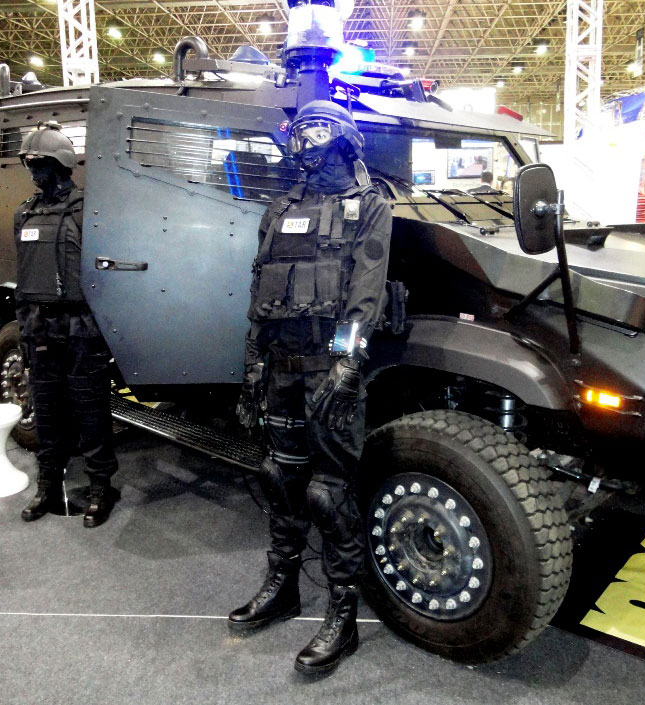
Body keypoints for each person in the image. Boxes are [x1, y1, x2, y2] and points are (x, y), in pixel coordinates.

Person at [231, 100, 392, 676]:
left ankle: (342, 615)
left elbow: (365, 295)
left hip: (328, 369)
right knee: (280, 477)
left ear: (345, 140)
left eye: (319, 132)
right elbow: (259, 291)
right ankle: (283, 585)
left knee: (329, 492)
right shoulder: (280, 208)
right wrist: (253, 365)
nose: (307, 144)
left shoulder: (370, 206)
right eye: (300, 134)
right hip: (280, 366)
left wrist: (346, 367)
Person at [13, 122, 119, 528]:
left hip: (80, 328)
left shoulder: (87, 210)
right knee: (47, 412)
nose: (33, 172)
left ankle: (100, 487)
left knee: (91, 413)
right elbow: (23, 278)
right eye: (29, 164)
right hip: (40, 328)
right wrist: (24, 331)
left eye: (39, 163)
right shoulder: (24, 213)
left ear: (60, 164)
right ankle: (47, 484)